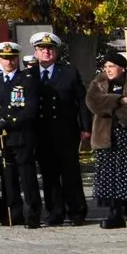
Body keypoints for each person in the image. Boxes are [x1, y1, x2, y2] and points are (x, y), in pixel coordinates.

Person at [30, 32, 90, 226]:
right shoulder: (29, 75)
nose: (46, 52)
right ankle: (55, 211)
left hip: (66, 130)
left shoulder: (69, 72)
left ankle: (77, 211)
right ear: (36, 52)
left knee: (70, 173)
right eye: (42, 49)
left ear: (55, 51)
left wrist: (85, 127)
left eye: (50, 49)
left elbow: (81, 101)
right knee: (49, 174)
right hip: (41, 131)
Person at [0, 42, 41, 228]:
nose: (9, 62)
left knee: (27, 177)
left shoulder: (27, 79)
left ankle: (32, 215)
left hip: (21, 134)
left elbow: (31, 108)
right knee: (8, 178)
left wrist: (12, 122)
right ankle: (13, 214)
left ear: (17, 58)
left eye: (12, 58)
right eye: (5, 58)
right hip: (3, 137)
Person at [86, 52, 127, 230]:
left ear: (122, 68)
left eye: (112, 66)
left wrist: (112, 109)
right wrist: (118, 100)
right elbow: (93, 102)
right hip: (105, 135)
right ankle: (114, 214)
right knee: (109, 177)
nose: (108, 70)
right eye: (106, 66)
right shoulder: (99, 82)